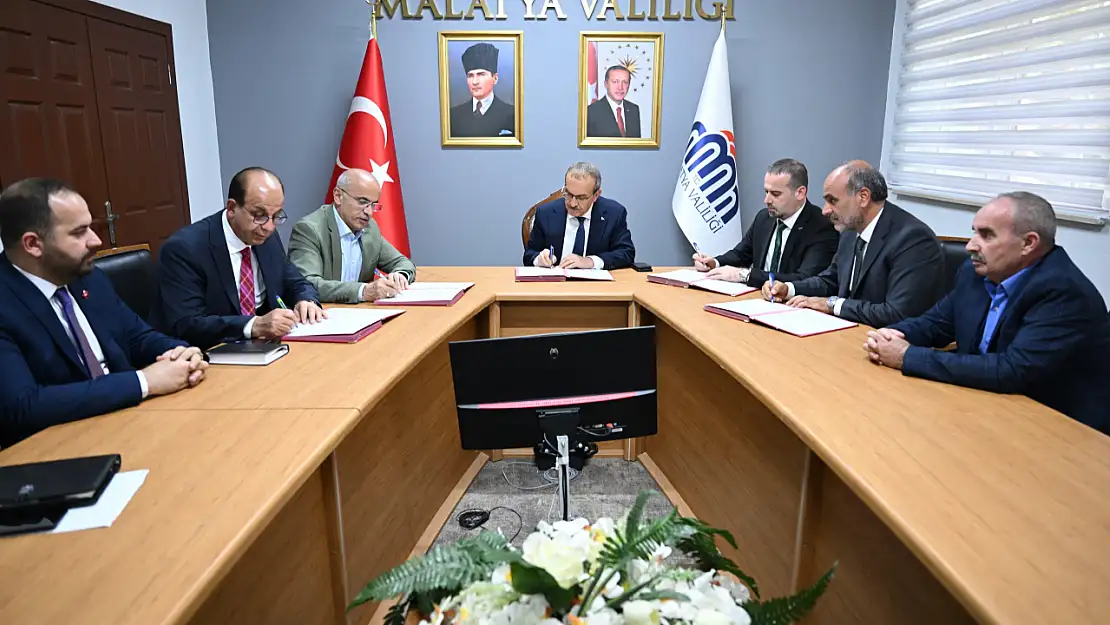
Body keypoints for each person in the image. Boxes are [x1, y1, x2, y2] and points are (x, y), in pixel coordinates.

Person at [865, 192, 1110, 433]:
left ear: (1028, 243)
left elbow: (1012, 370)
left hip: (1059, 426)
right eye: (974, 232)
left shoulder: (1064, 292)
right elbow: (936, 324)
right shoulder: (977, 273)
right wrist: (891, 335)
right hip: (987, 404)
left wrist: (906, 357)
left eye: (986, 235)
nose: (971, 245)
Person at [0, 178, 207, 447]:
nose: (96, 240)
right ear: (33, 244)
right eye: (79, 232)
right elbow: (23, 406)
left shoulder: (88, 277)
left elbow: (136, 337)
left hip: (131, 422)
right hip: (58, 446)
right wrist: (143, 382)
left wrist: (182, 352)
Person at [152, 167, 323, 350]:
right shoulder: (185, 249)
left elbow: (293, 280)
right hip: (209, 352)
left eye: (276, 216)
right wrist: (254, 325)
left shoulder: (265, 236)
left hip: (264, 348)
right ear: (232, 208)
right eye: (259, 216)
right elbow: (188, 323)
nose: (269, 227)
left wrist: (306, 300)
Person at [762, 161, 944, 328]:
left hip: (887, 345)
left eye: (832, 200)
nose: (825, 210)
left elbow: (896, 313)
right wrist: (788, 289)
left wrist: (832, 304)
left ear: (863, 197)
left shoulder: (913, 240)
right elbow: (831, 280)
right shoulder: (850, 231)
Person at [694, 158, 838, 287]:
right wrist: (714, 263)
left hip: (792, 306)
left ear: (800, 193)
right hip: (758, 298)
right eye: (766, 192)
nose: (767, 200)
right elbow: (740, 255)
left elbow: (804, 279)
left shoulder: (821, 225)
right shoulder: (764, 217)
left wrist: (745, 275)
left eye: (775, 194)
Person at [288, 169, 416, 303]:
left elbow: (403, 263)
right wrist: (363, 291)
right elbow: (307, 285)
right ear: (338, 196)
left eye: (373, 205)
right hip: (324, 314)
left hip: (360, 314)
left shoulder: (369, 228)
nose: (369, 212)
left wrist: (400, 275)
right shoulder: (309, 230)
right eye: (362, 202)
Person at [523, 162, 636, 270]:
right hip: (555, 284)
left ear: (596, 195)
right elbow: (529, 254)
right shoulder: (545, 213)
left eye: (581, 198)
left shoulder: (613, 213)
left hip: (596, 287)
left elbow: (626, 252)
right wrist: (539, 259)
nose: (572, 203)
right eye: (568, 194)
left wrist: (590, 261)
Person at [448, 43, 515, 138]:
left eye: (481, 74)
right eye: (470, 76)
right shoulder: (453, 115)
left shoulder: (512, 114)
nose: (475, 82)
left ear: (495, 78)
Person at [586, 66, 642, 138]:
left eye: (625, 82)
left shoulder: (634, 109)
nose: (620, 87)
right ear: (606, 84)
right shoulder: (591, 111)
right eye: (615, 82)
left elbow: (636, 145)